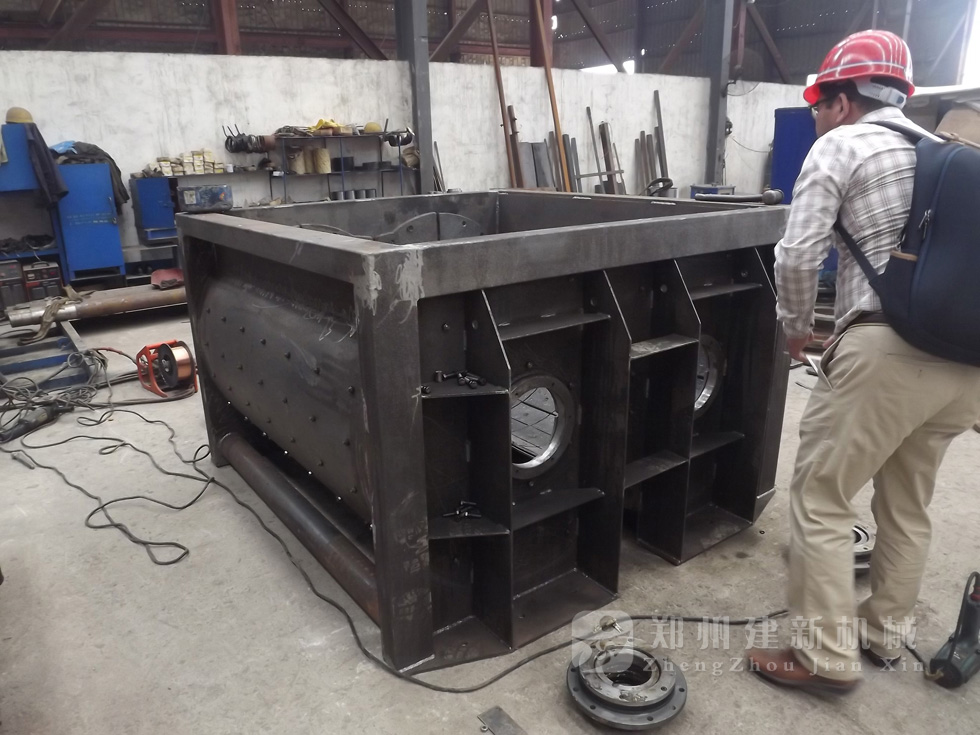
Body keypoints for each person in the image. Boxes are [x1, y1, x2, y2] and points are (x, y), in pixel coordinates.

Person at [747, 30, 980, 694]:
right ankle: (883, 634)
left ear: (843, 100)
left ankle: (823, 657)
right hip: (966, 366)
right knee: (908, 502)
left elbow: (798, 253)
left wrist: (796, 328)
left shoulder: (842, 145)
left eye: (820, 104)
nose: (818, 117)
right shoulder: (947, 154)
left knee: (821, 497)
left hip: (888, 353)